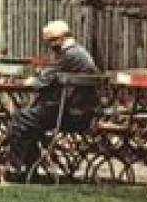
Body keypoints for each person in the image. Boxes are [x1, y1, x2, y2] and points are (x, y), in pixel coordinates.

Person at [6, 20, 99, 180]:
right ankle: (28, 168)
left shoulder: (71, 55)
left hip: (73, 115)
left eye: (50, 41)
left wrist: (28, 81)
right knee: (30, 119)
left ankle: (18, 167)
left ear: (59, 38)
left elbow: (45, 80)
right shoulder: (77, 53)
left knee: (21, 117)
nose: (49, 45)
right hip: (78, 112)